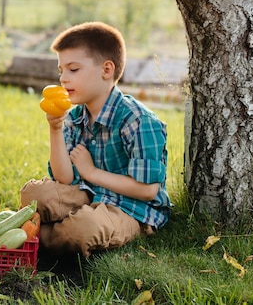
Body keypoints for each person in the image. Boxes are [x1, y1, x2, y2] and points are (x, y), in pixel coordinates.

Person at [20, 21, 172, 257]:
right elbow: (64, 178)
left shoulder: (139, 121)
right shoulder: (75, 117)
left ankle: (35, 237)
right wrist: (55, 129)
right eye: (61, 71)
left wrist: (91, 173)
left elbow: (149, 190)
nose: (63, 79)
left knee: (83, 228)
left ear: (106, 70)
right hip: (88, 193)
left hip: (131, 209)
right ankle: (48, 231)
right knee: (34, 195)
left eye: (73, 69)